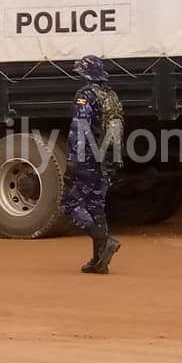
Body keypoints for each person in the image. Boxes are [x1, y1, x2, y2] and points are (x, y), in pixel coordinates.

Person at [60, 55, 123, 274]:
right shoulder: (110, 95)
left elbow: (80, 130)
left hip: (87, 158)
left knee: (70, 205)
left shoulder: (85, 96)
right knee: (96, 207)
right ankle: (98, 260)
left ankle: (105, 241)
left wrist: (72, 163)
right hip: (105, 158)